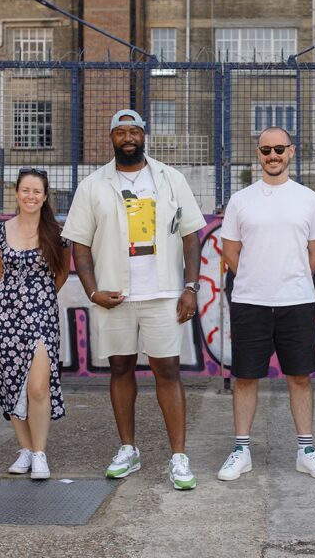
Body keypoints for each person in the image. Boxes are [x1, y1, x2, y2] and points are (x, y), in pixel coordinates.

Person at [62, 109, 204, 490]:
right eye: (120, 132)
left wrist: (191, 287)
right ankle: (129, 450)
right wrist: (92, 291)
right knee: (120, 370)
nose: (128, 138)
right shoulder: (93, 185)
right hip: (115, 295)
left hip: (162, 294)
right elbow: (80, 245)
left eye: (134, 131)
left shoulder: (170, 179)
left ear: (145, 135)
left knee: (168, 371)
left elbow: (191, 235)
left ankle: (178, 457)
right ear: (111, 138)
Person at [217, 126, 315, 482]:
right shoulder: (241, 200)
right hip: (250, 301)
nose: (273, 156)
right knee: (246, 378)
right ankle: (241, 451)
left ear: (291, 152)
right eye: (266, 150)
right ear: (258, 154)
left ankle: (306, 451)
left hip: (296, 301)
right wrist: (257, 277)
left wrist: (289, 276)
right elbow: (230, 251)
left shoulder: (309, 199)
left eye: (279, 149)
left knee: (299, 377)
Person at [0, 168, 71, 480]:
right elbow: (1, 274)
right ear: (17, 193)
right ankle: (25, 449)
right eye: (25, 190)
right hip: (5, 317)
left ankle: (40, 453)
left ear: (44, 197)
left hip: (42, 315)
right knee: (11, 384)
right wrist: (16, 301)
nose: (31, 196)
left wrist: (38, 298)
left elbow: (62, 273)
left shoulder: (56, 233)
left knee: (38, 387)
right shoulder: (1, 232)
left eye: (37, 191)